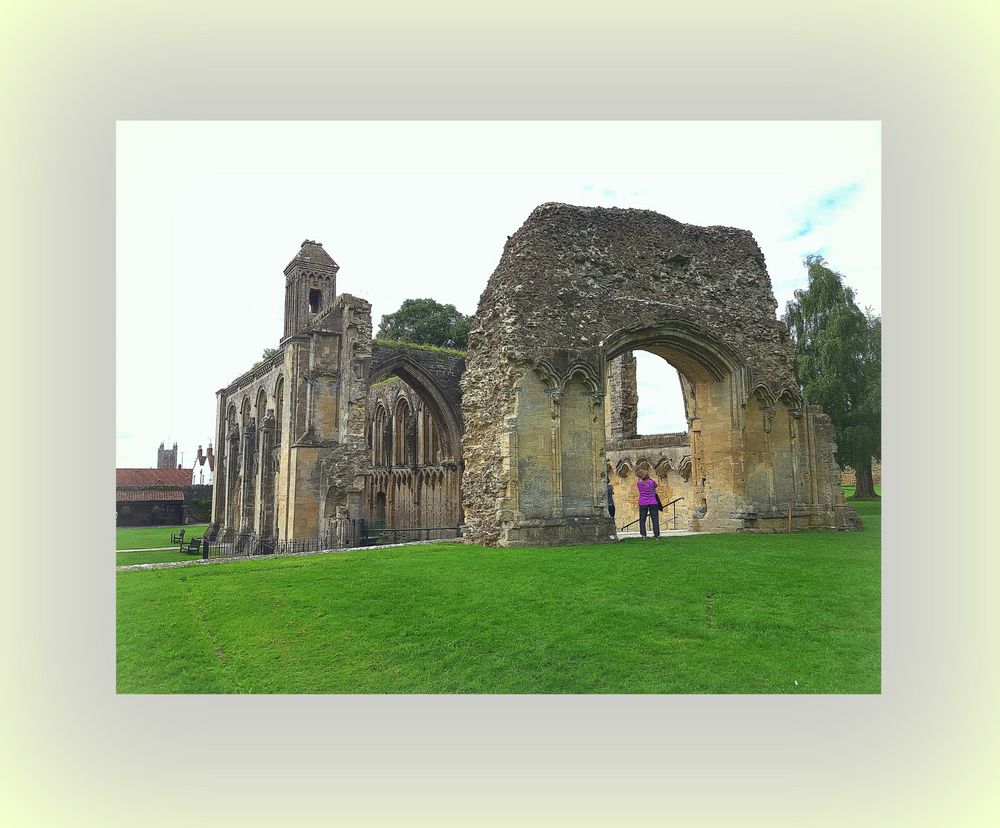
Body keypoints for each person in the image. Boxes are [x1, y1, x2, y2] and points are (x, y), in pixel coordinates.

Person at [636, 469, 662, 539]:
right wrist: (650, 479)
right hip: (653, 502)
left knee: (642, 519)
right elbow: (656, 486)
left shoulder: (639, 483)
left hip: (643, 502)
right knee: (655, 519)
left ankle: (643, 535)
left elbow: (640, 490)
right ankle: (657, 535)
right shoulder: (651, 482)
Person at [605, 476, 620, 542]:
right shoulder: (610, 487)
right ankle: (613, 530)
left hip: (606, 506)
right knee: (612, 518)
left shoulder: (605, 488)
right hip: (611, 505)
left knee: (607, 518)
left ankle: (608, 531)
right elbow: (612, 493)